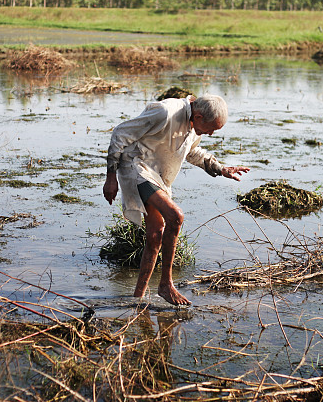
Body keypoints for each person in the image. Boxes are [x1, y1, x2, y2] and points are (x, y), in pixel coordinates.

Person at [103, 94, 249, 306]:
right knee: (176, 216)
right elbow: (120, 133)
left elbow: (191, 152)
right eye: (211, 128)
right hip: (136, 166)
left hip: (157, 175)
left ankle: (137, 299)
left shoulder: (193, 124)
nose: (210, 133)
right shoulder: (165, 112)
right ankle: (166, 284)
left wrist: (221, 168)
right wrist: (110, 177)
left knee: (155, 235)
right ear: (198, 116)